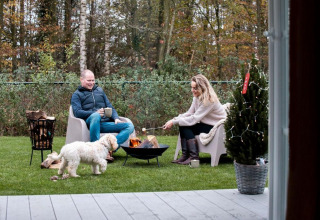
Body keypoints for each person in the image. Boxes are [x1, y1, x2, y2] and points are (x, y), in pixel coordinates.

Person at [71, 69, 134, 162]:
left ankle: (109, 151)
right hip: (90, 123)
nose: (91, 83)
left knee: (129, 126)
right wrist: (94, 113)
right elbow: (77, 112)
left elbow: (110, 106)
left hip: (105, 124)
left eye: (93, 80)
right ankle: (95, 151)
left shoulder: (99, 91)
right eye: (89, 80)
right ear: (81, 79)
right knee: (95, 116)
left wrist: (116, 118)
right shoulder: (77, 95)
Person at [163, 74, 227, 165]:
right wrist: (174, 119)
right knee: (183, 125)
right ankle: (185, 156)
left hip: (217, 127)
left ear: (202, 88)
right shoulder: (197, 98)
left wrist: (173, 122)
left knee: (186, 126)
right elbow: (189, 113)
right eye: (192, 87)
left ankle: (194, 158)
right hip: (207, 124)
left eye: (195, 88)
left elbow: (194, 119)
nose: (192, 90)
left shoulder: (209, 100)